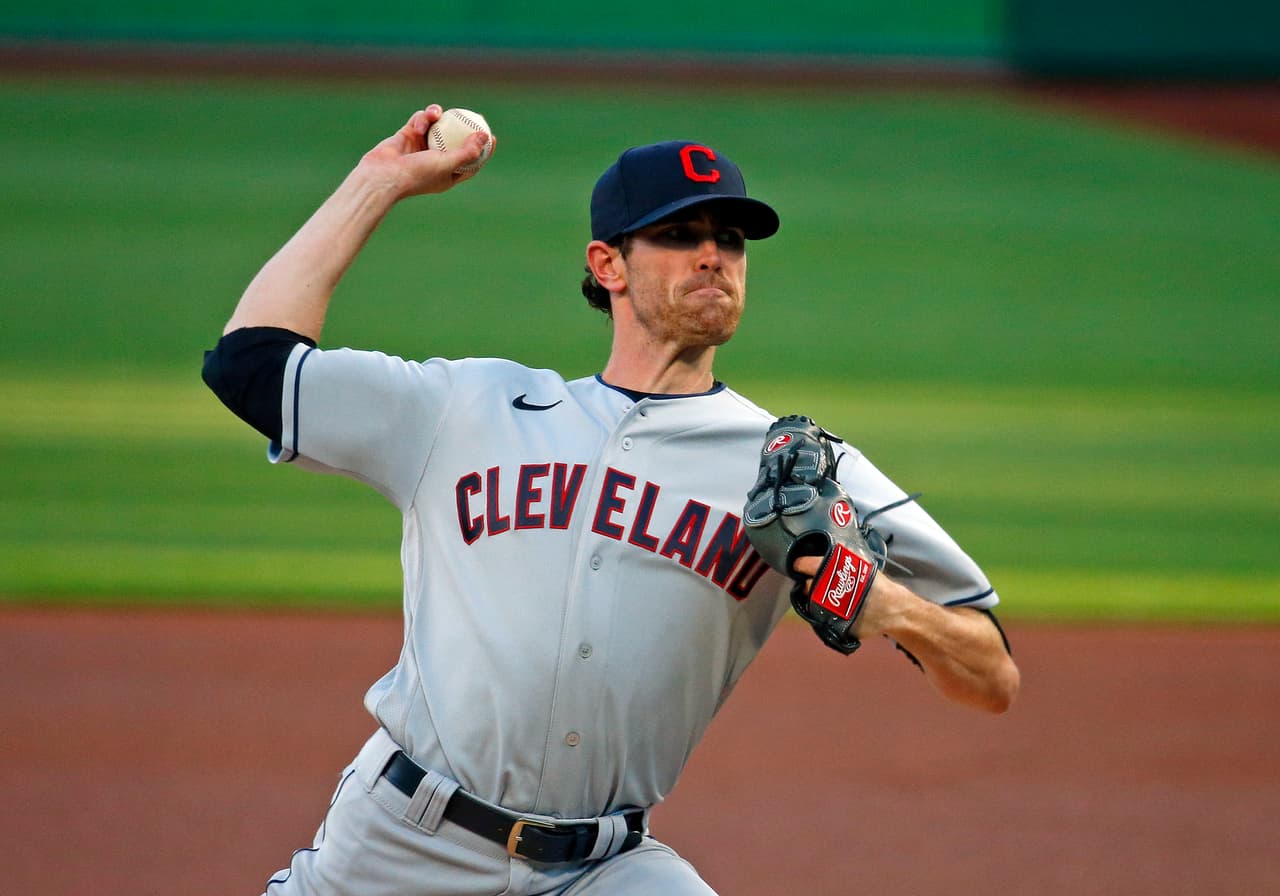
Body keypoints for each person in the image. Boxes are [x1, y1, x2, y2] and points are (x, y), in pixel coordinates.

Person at [203, 103, 1019, 896]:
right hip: (399, 846)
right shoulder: (466, 409)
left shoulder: (798, 464)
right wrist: (377, 180)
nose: (713, 256)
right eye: (678, 234)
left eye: (729, 240)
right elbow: (249, 365)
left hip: (602, 869)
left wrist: (892, 609)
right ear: (608, 265)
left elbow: (993, 674)